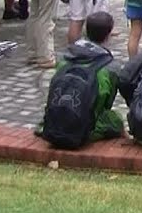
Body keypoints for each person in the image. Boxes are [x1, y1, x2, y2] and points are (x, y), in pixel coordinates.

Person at [35, 11, 124, 147]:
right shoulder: (111, 67)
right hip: (85, 123)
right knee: (115, 119)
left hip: (58, 116)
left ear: (86, 31)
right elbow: (106, 103)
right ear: (108, 34)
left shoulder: (64, 58)